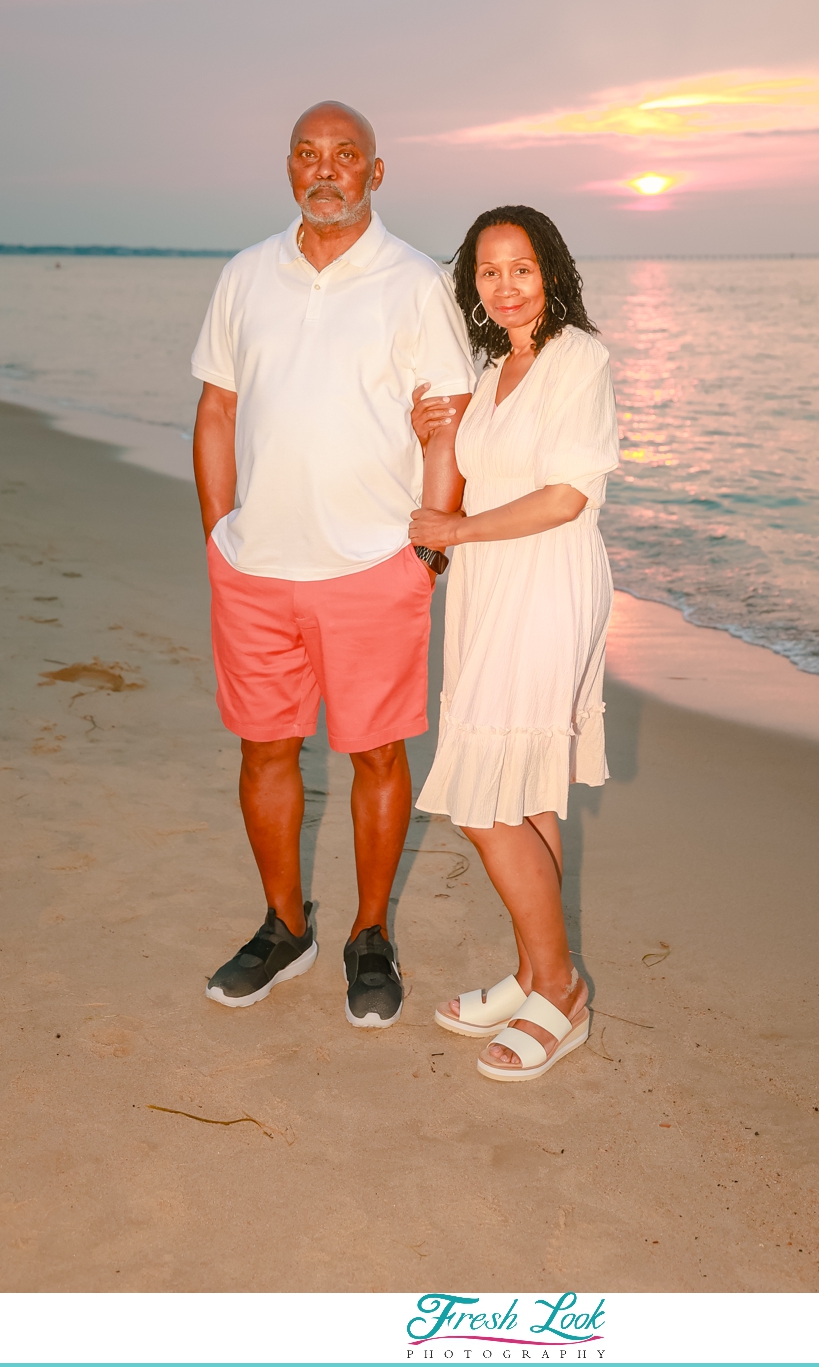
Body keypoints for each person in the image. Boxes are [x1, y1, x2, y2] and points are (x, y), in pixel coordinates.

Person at [191, 101, 474, 1027]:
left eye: (345, 156)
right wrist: (218, 537)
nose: (326, 170)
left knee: (376, 753)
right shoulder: (244, 275)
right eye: (309, 155)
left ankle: (370, 934)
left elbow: (449, 422)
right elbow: (218, 411)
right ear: (287, 168)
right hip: (256, 570)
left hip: (371, 567)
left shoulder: (415, 282)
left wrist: (428, 547)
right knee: (264, 748)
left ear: (375, 173)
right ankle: (283, 927)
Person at [408, 206, 619, 1081]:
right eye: (489, 271)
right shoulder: (490, 365)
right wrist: (433, 437)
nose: (505, 284)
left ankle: (562, 992)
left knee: (481, 798)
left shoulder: (581, 359)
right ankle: (535, 975)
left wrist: (453, 534)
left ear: (552, 272)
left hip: (547, 584)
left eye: (521, 268)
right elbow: (461, 479)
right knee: (525, 789)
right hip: (491, 587)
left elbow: (566, 496)